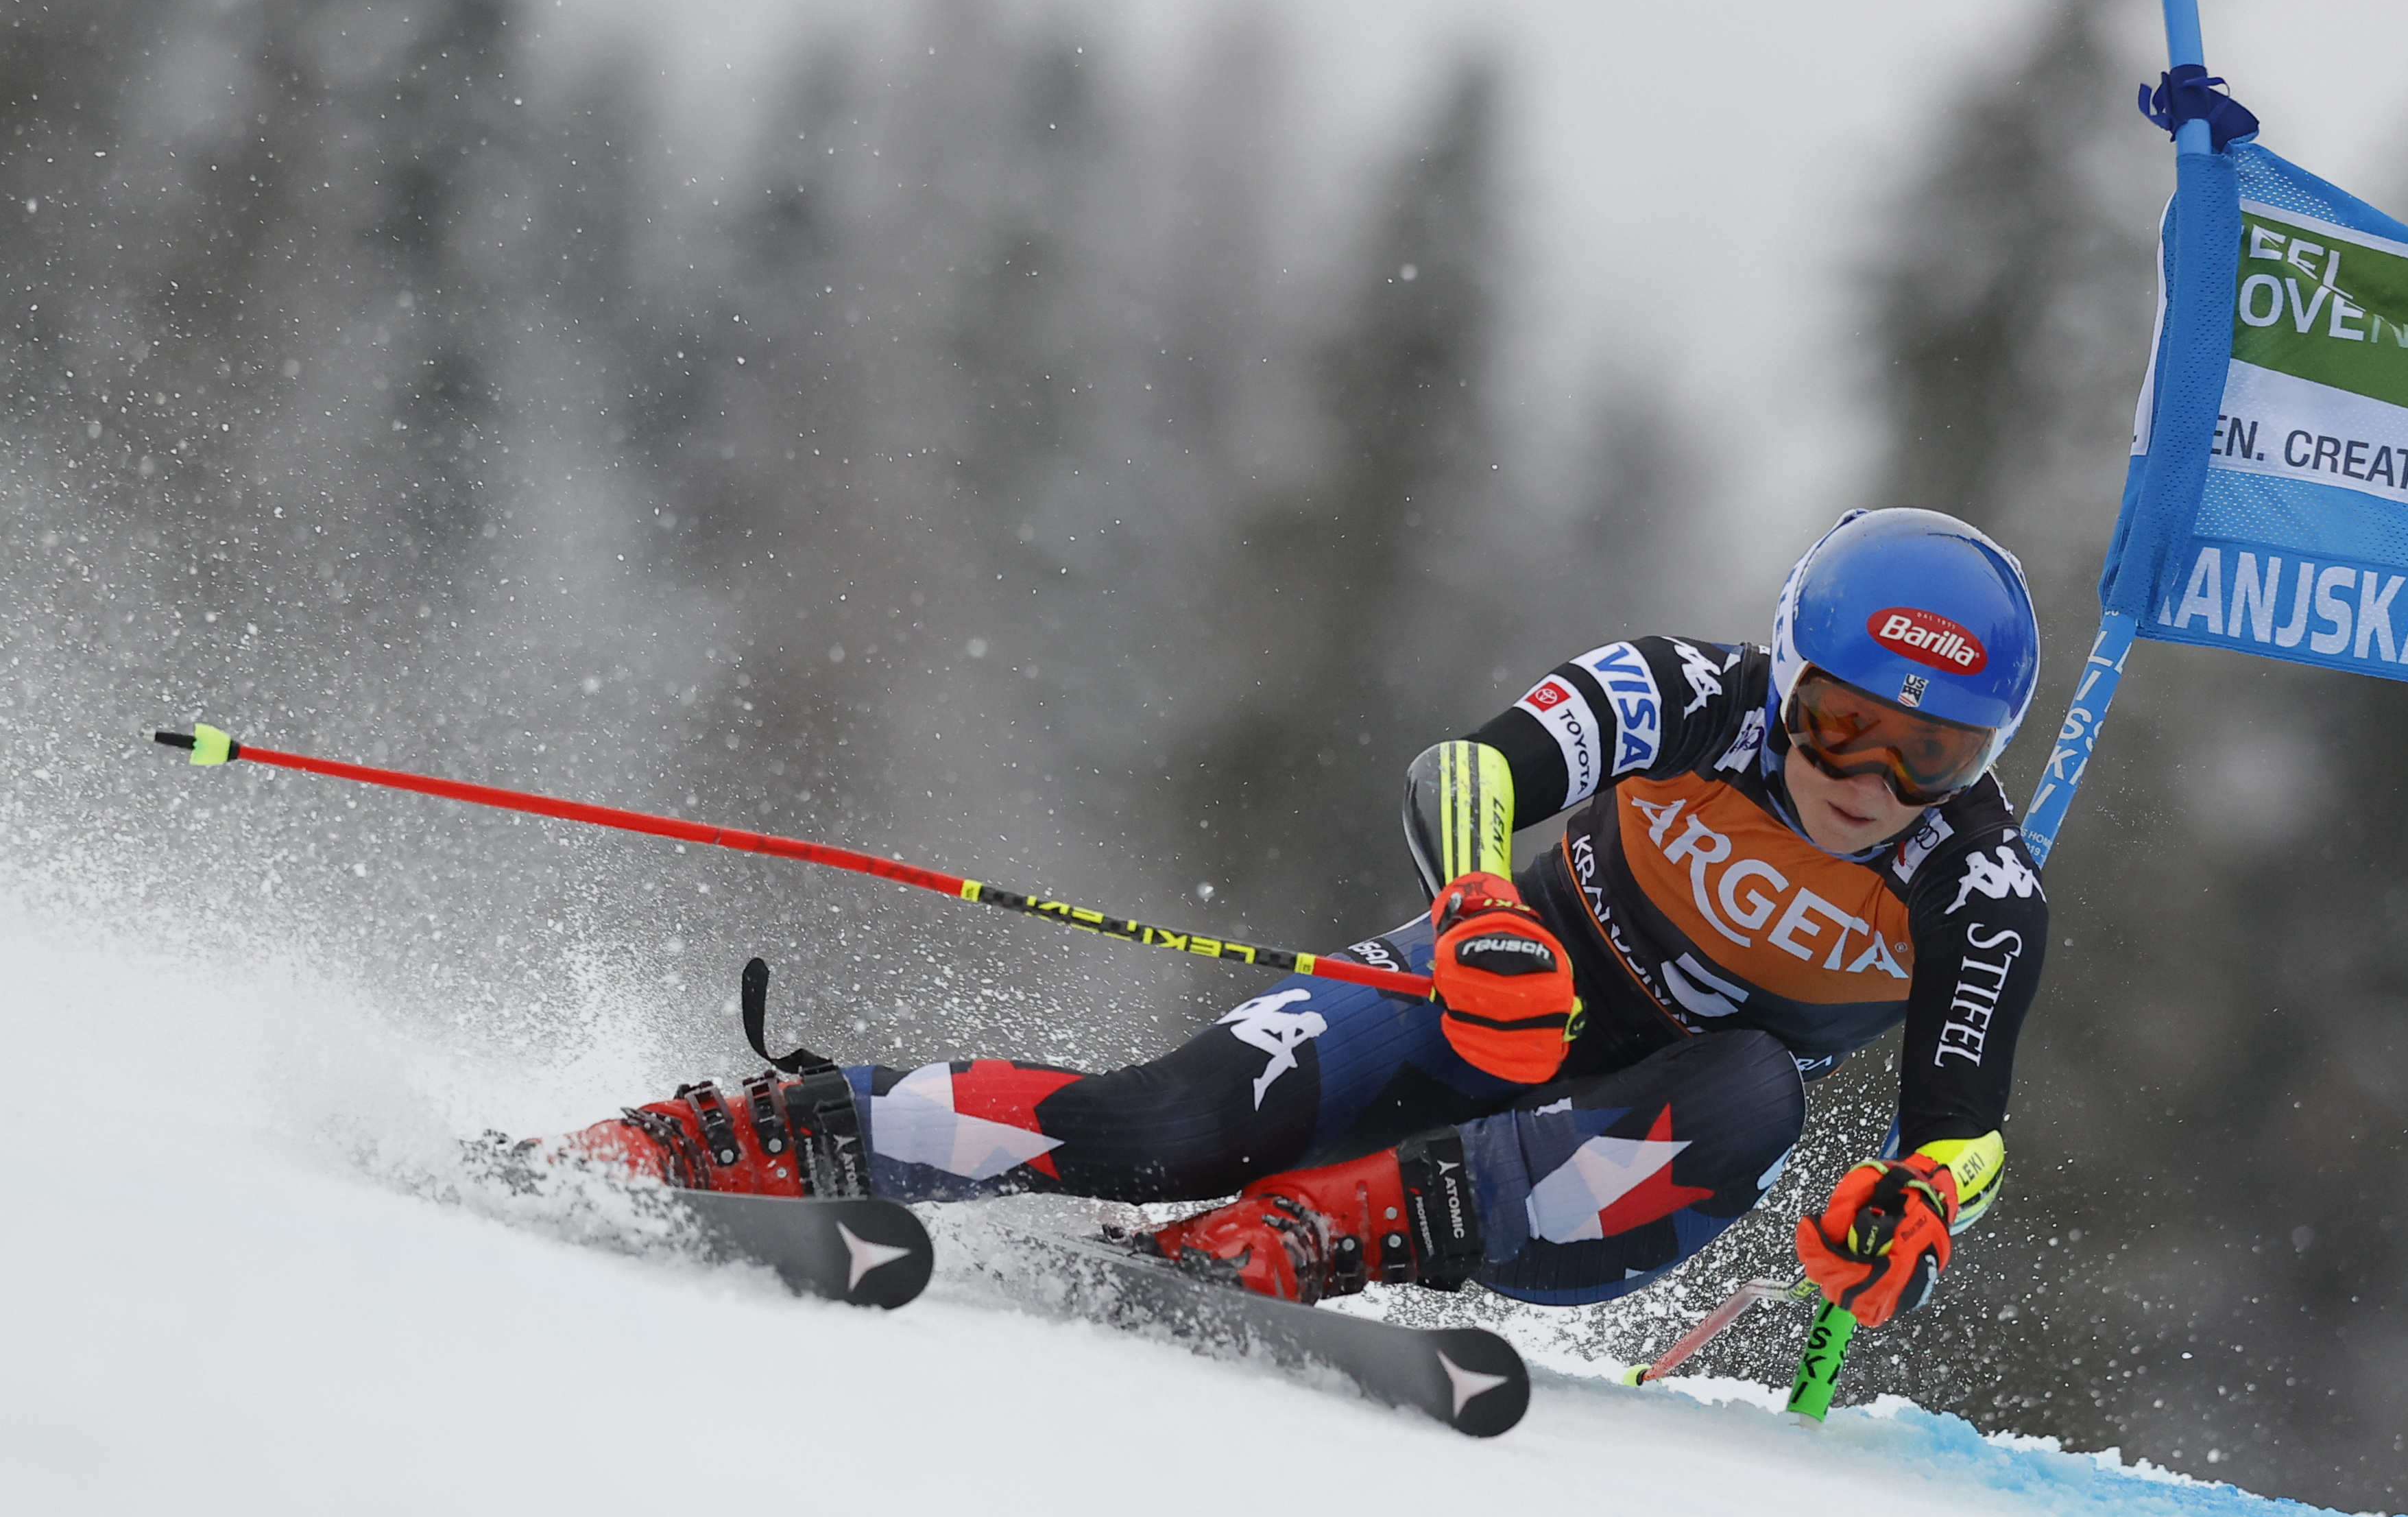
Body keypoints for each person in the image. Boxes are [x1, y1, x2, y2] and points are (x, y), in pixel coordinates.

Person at [558, 507, 2051, 1330]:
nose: (1873, 780)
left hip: (1619, 1169)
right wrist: (1475, 911)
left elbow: (1962, 1128)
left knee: (1755, 1085)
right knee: (1156, 1129)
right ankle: (769, 1134)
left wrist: (1911, 1211)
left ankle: (1293, 1245)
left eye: (1936, 753)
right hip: (1475, 1004)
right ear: (1787, 673)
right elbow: (1470, 767)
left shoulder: (1977, 889)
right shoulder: (1689, 694)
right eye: (1845, 723)